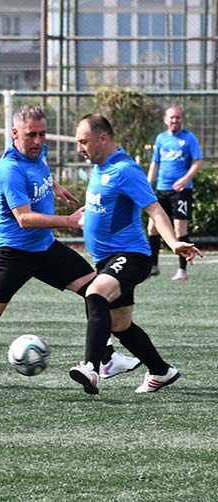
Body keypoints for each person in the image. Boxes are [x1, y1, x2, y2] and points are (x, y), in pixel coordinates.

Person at [0, 105, 140, 387]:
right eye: (31, 134)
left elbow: (38, 174)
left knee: (94, 291)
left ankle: (106, 359)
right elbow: (24, 219)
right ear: (15, 133)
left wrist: (54, 186)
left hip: (45, 248)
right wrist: (69, 221)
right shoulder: (9, 168)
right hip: (14, 253)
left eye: (42, 134)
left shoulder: (39, 153)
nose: (38, 140)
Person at [69, 114, 201, 395]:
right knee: (120, 324)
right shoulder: (101, 167)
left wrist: (173, 242)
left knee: (95, 293)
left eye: (83, 141)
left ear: (103, 138)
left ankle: (91, 367)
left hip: (131, 256)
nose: (79, 148)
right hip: (107, 259)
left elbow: (155, 210)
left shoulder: (126, 170)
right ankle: (161, 371)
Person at [146, 105, 202, 280]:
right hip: (161, 190)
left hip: (181, 192)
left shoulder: (189, 138)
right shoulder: (161, 138)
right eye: (171, 117)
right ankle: (153, 266)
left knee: (179, 228)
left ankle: (182, 270)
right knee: (152, 227)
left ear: (181, 120)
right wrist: (147, 185)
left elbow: (198, 162)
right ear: (166, 120)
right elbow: (155, 163)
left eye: (177, 117)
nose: (174, 120)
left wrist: (185, 179)